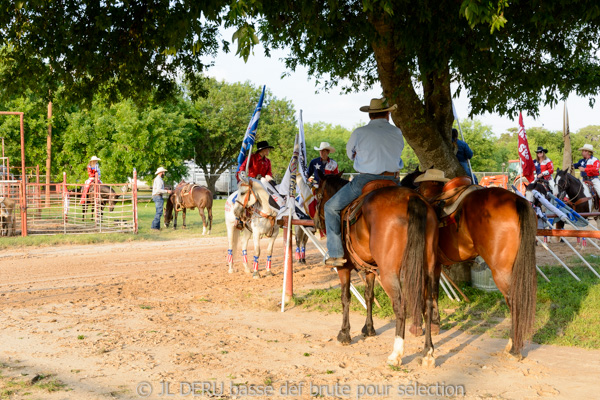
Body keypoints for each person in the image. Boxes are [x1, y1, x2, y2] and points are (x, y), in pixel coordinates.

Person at [324, 98, 404, 267]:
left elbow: (350, 154)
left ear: (370, 114)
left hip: (366, 180)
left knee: (330, 207)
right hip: (393, 181)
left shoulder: (359, 132)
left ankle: (336, 253)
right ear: (388, 114)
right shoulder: (397, 132)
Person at [151, 167, 172, 231]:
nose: (164, 173)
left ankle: (156, 227)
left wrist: (164, 189)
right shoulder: (159, 180)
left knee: (159, 212)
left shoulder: (158, 179)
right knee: (159, 212)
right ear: (161, 173)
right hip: (158, 196)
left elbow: (158, 188)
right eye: (163, 172)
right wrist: (167, 191)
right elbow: (158, 190)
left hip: (156, 196)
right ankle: (154, 227)